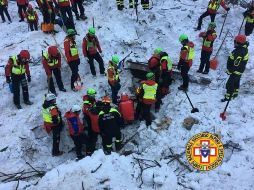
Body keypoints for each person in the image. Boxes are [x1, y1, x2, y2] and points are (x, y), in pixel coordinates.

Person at [221, 35, 249, 102]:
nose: (234, 43)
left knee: (229, 84)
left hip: (235, 71)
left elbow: (236, 65)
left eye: (235, 42)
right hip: (238, 71)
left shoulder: (240, 52)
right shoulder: (242, 49)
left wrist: (230, 71)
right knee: (236, 82)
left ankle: (228, 97)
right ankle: (235, 93)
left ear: (239, 43)